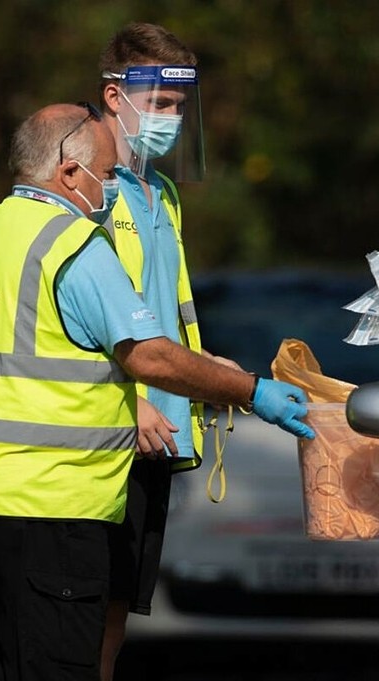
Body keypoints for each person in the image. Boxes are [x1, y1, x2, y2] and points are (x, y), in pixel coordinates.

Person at [0, 102, 315, 681]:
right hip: (47, 514)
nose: (113, 186)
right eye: (105, 170)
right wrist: (250, 391)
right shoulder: (73, 245)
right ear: (70, 173)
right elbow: (148, 354)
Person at [92, 23, 244, 680]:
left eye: (180, 106)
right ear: (113, 96)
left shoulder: (166, 194)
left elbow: (164, 309)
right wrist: (130, 406)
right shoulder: (87, 190)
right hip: (109, 431)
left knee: (117, 609)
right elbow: (81, 317)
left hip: (158, 437)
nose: (171, 119)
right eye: (157, 101)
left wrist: (211, 372)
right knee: (83, 608)